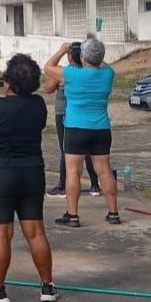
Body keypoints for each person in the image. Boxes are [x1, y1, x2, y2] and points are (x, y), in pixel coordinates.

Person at [0, 54, 58, 302]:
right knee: (36, 232)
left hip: (0, 174)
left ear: (7, 82)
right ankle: (47, 286)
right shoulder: (38, 104)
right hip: (32, 172)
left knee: (2, 235)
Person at [43, 39, 119, 227]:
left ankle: (73, 214)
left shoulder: (72, 74)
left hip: (76, 128)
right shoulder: (108, 74)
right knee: (104, 171)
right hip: (101, 129)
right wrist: (94, 52)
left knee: (73, 171)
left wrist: (62, 50)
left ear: (83, 57)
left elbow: (48, 67)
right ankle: (113, 212)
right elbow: (101, 63)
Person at [43, 44, 99, 197]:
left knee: (66, 150)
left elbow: (47, 88)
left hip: (64, 115)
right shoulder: (89, 72)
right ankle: (95, 185)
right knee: (88, 150)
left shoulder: (64, 73)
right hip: (85, 114)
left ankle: (63, 185)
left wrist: (60, 51)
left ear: (68, 56)